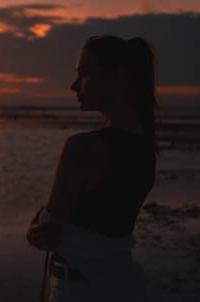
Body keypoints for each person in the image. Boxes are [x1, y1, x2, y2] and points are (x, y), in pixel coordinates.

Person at [26, 35, 160, 301]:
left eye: (84, 74)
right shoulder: (147, 151)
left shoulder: (82, 148)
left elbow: (46, 233)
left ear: (118, 77)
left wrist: (33, 226)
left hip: (79, 288)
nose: (74, 85)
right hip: (125, 284)